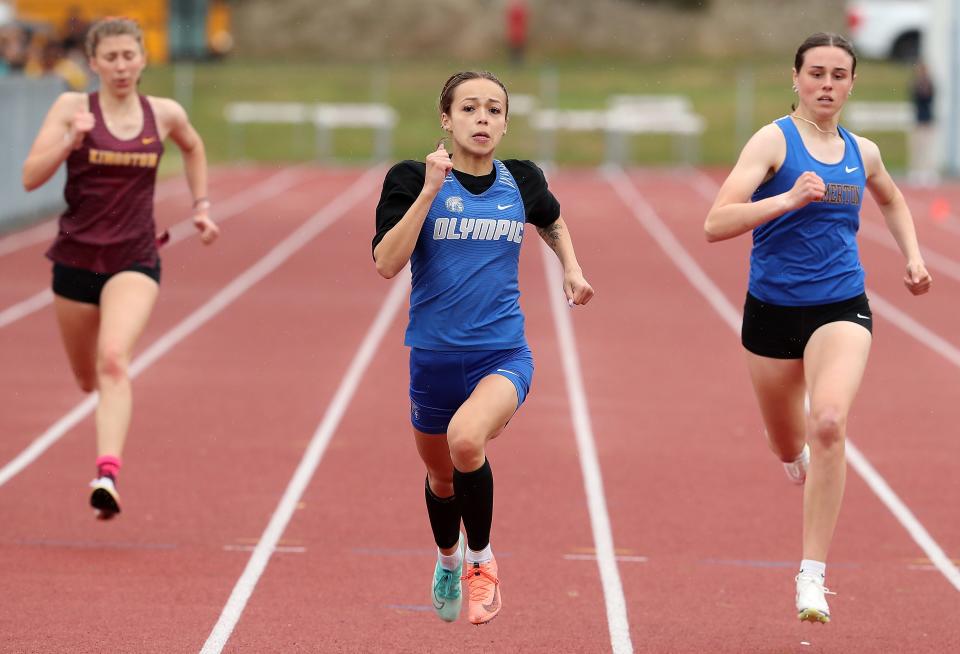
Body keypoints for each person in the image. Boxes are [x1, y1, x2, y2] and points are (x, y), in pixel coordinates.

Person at [703, 32, 932, 624]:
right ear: (796, 79)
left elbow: (893, 200)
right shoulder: (773, 141)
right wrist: (784, 201)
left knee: (829, 421)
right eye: (816, 73)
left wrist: (911, 254)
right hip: (772, 312)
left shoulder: (865, 151)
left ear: (853, 83)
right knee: (788, 442)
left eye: (838, 75)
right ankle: (793, 455)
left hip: (842, 305)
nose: (827, 84)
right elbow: (716, 221)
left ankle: (812, 575)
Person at [372, 71, 594, 625]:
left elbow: (551, 218)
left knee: (466, 440)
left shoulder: (521, 180)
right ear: (446, 119)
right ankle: (447, 559)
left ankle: (481, 560)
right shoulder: (408, 178)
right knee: (441, 477)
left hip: (502, 355)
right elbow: (386, 263)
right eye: (469, 109)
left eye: (494, 110)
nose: (482, 119)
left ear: (505, 122)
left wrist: (571, 267)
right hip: (432, 360)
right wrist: (428, 190)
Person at [21, 17, 219, 520]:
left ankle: (106, 472)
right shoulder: (73, 108)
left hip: (134, 258)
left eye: (129, 56)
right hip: (74, 261)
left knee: (114, 360)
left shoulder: (164, 113)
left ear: (142, 58)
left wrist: (200, 205)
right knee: (88, 378)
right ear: (94, 63)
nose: (121, 66)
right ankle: (103, 436)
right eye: (110, 58)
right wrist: (68, 139)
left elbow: (193, 146)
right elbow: (29, 177)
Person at [908, 60, 937, 186]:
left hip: (927, 120)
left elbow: (931, 98)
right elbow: (914, 98)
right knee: (916, 147)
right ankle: (915, 171)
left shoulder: (930, 83)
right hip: (918, 120)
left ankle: (928, 172)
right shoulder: (915, 84)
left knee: (928, 147)